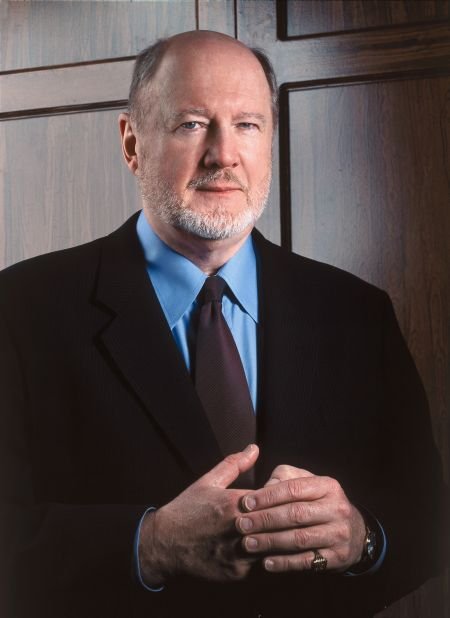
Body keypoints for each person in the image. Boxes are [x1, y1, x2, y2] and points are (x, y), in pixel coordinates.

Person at [0, 30, 445, 618]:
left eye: (247, 125)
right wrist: (150, 545)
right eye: (191, 124)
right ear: (131, 142)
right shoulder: (20, 309)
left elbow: (427, 522)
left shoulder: (357, 312)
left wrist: (364, 539)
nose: (223, 154)